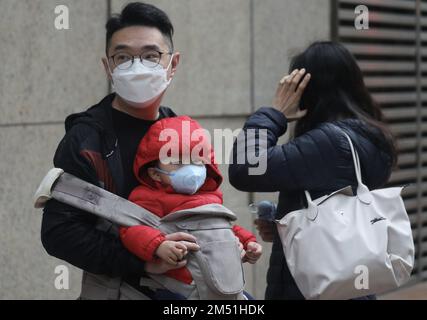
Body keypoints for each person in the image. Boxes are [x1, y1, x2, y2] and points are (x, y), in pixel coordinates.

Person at [40, 2, 201, 300]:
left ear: (173, 64)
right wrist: (143, 260)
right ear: (108, 66)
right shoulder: (87, 140)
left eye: (151, 56)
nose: (137, 67)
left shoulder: (178, 129)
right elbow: (59, 232)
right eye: (124, 57)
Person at [228, 41, 398, 300]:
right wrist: (287, 223)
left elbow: (247, 168)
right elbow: (338, 209)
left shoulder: (331, 142)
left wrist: (274, 113)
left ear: (307, 90)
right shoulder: (366, 136)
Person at [119, 116, 262, 295]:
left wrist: (248, 242)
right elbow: (131, 229)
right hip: (179, 286)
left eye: (196, 160)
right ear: (155, 174)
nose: (190, 169)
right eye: (178, 163)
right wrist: (158, 246)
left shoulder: (211, 196)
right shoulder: (150, 197)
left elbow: (221, 227)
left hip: (220, 284)